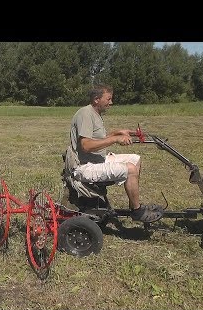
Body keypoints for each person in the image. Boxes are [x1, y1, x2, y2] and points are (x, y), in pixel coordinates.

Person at [67, 84, 162, 222]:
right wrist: (115, 139)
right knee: (130, 169)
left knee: (135, 159)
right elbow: (86, 145)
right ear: (96, 99)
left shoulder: (94, 114)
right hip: (84, 167)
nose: (111, 103)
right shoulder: (85, 114)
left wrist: (118, 132)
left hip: (95, 160)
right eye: (108, 99)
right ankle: (137, 211)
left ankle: (133, 204)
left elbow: (98, 138)